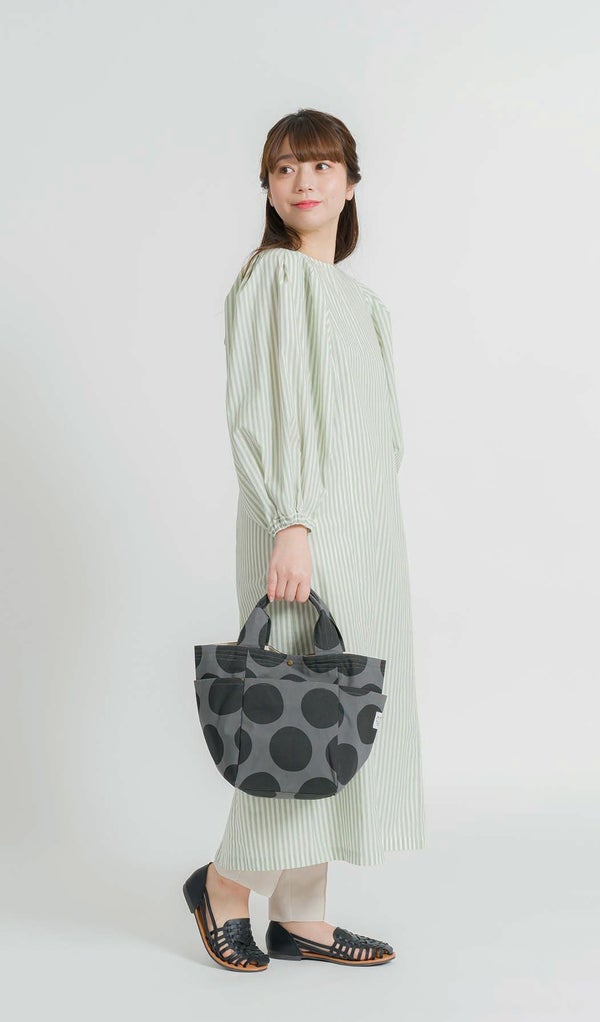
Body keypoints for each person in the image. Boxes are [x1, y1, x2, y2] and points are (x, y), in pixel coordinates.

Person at [183, 108, 426, 971]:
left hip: (367, 537)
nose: (303, 182)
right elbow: (260, 412)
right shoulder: (273, 279)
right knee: (288, 717)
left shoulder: (363, 302)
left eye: (321, 166)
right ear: (269, 189)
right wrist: (290, 520)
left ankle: (303, 915)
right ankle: (225, 884)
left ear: (351, 184)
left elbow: (378, 436)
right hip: (302, 529)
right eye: (285, 168)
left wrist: (360, 527)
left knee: (338, 717)